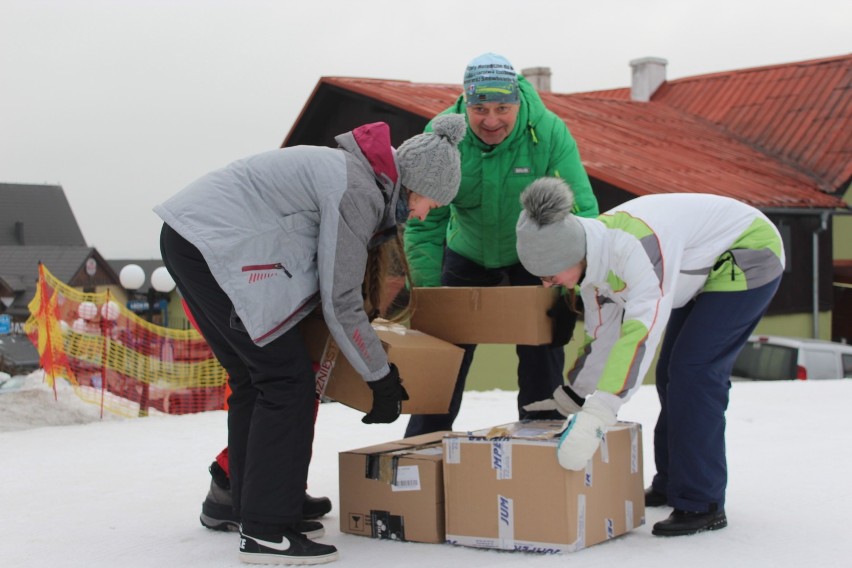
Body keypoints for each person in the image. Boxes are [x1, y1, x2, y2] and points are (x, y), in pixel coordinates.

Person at [154, 114, 466, 565]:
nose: (424, 215)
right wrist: (380, 378)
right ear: (416, 185)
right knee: (286, 382)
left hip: (192, 237)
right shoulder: (356, 190)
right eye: (432, 205)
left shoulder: (359, 177)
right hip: (210, 244)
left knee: (254, 378)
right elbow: (340, 299)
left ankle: (253, 504)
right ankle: (264, 531)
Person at [516, 178, 785, 537]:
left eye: (549, 275)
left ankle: (701, 502)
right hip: (698, 270)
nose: (547, 284)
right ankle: (673, 482)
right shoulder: (592, 270)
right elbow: (602, 338)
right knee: (671, 375)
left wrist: (599, 414)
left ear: (570, 257)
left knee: (694, 373)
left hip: (748, 253)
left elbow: (640, 333)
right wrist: (573, 399)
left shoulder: (635, 249)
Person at [403, 53, 599, 437]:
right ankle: (422, 450)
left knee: (542, 353)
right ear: (465, 103)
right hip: (467, 253)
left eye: (502, 108)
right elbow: (426, 222)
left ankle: (542, 445)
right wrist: (428, 292)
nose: (491, 120)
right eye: (480, 108)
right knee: (444, 355)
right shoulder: (444, 136)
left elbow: (582, 210)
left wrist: (577, 280)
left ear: (517, 102)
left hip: (534, 260)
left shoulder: (548, 132)